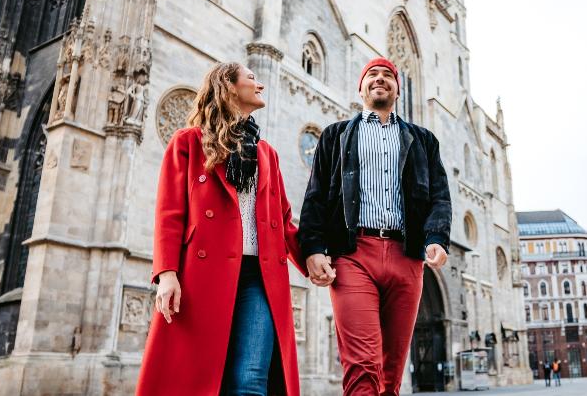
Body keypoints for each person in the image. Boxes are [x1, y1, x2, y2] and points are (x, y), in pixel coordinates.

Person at [138, 63, 305, 396]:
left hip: (260, 277)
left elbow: (283, 221)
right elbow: (170, 212)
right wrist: (167, 274)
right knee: (198, 380)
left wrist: (316, 261)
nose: (260, 85)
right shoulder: (187, 142)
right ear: (229, 87)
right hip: (203, 276)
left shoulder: (266, 154)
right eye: (252, 79)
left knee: (251, 379)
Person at [298, 57, 452, 395]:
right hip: (353, 255)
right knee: (362, 365)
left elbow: (439, 196)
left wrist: (437, 237)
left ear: (398, 89)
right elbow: (316, 195)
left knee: (391, 371)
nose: (380, 79)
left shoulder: (423, 140)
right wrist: (312, 248)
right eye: (372, 74)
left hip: (406, 256)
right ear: (361, 87)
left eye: (387, 75)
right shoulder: (336, 135)